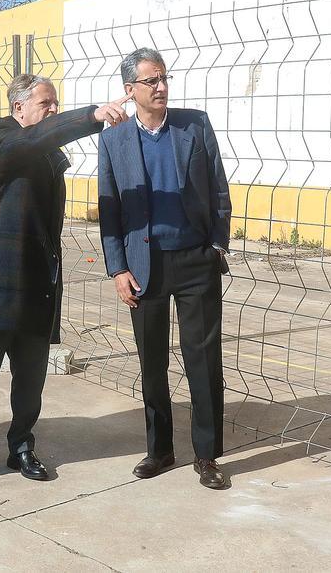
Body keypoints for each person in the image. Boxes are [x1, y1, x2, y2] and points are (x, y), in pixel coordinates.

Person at [0, 73, 131, 490]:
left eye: (56, 104)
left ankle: (21, 447)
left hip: (36, 283)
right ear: (19, 108)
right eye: (45, 104)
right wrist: (90, 115)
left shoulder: (47, 154)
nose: (52, 111)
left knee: (31, 378)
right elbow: (33, 140)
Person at [97, 48, 233, 490]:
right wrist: (117, 267)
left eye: (164, 78)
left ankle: (207, 455)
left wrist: (216, 244)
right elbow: (109, 208)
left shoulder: (194, 124)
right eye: (151, 81)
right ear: (129, 90)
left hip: (195, 261)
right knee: (151, 362)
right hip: (143, 266)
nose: (161, 87)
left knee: (203, 360)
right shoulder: (113, 139)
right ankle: (160, 450)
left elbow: (217, 185)